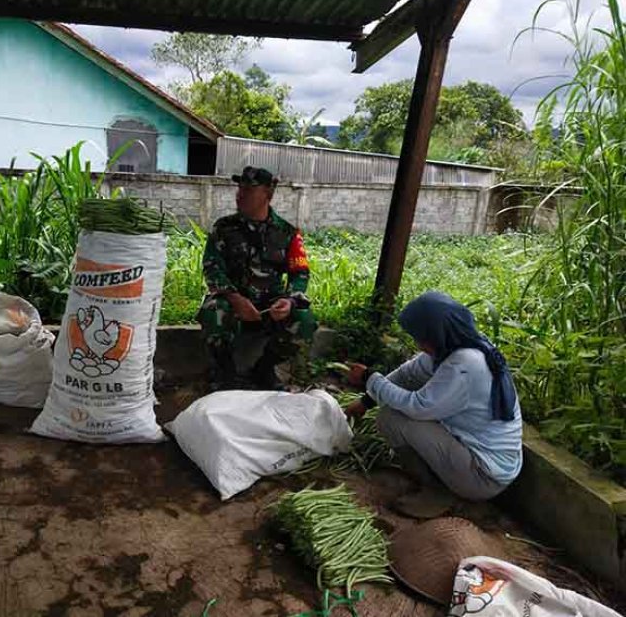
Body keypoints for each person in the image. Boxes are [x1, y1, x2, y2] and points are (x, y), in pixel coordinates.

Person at [344, 291, 523, 518]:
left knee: (393, 418)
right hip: (478, 459)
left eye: (420, 338)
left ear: (435, 335)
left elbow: (417, 407)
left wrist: (370, 377)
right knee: (399, 402)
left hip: (482, 476)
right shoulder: (456, 344)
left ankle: (438, 491)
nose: (419, 345)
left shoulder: (464, 364)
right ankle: (440, 480)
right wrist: (366, 401)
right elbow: (408, 374)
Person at [197, 165, 316, 390]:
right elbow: (212, 267)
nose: (240, 195)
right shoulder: (224, 228)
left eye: (249, 191)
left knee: (305, 320)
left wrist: (289, 301)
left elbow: (300, 272)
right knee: (213, 312)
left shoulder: (287, 233)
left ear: (267, 195)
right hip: (233, 300)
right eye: (239, 189)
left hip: (269, 305)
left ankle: (264, 370)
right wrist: (235, 298)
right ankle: (225, 374)